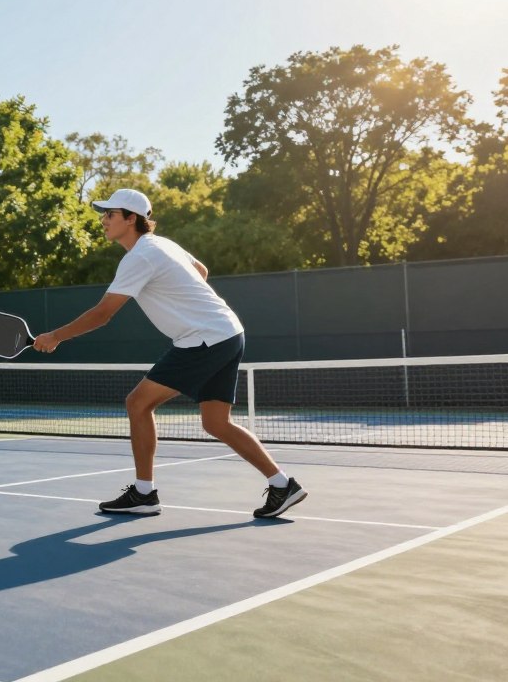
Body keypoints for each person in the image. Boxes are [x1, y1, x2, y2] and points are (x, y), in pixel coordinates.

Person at [31, 188, 307, 519]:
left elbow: (103, 314)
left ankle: (144, 494)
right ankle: (282, 484)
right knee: (216, 422)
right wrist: (179, 300)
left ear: (131, 219)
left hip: (203, 339)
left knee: (137, 403)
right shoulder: (163, 245)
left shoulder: (139, 257)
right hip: (229, 332)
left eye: (110, 215)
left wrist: (55, 336)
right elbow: (201, 270)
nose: (103, 221)